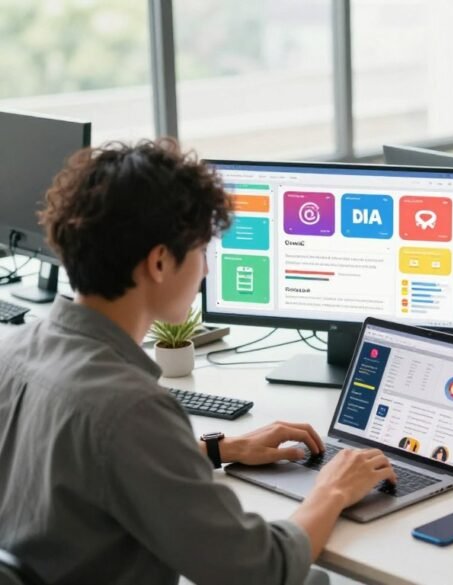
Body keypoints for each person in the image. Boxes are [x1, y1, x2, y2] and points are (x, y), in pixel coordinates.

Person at [0, 139, 397, 584]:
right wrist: (333, 490)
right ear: (159, 261)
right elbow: (262, 571)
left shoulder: (15, 351)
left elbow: (86, 465)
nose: (206, 269)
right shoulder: (130, 408)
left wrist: (219, 450)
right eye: (202, 250)